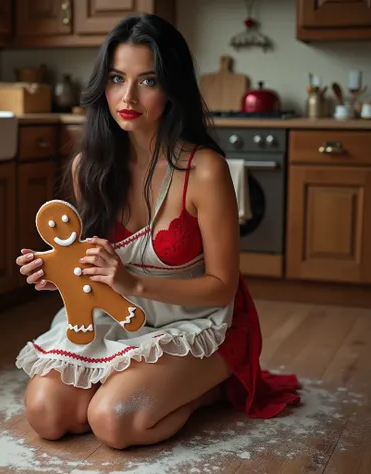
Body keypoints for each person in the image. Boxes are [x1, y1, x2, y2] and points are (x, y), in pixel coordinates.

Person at [15, 13, 300, 450]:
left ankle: (211, 387)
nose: (127, 96)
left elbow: (222, 289)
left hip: (200, 322)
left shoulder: (204, 171)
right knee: (46, 412)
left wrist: (132, 281)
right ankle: (143, 383)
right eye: (116, 78)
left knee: (113, 421)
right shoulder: (86, 169)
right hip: (119, 318)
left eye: (147, 80)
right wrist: (56, 274)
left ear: (172, 87)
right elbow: (91, 271)